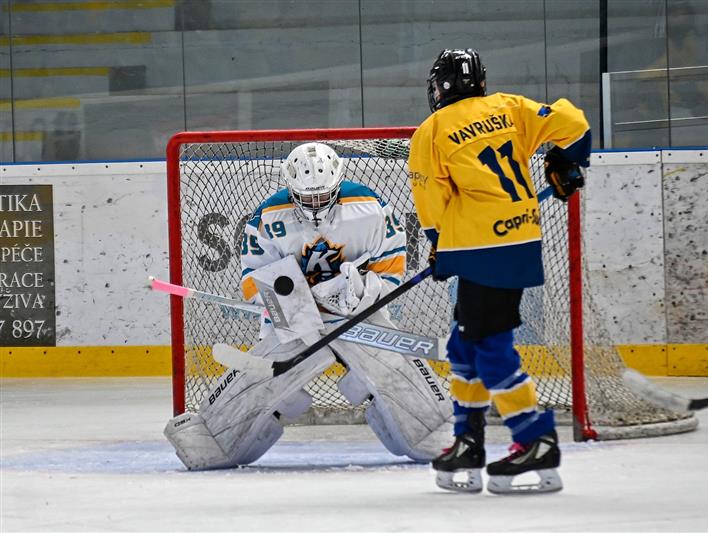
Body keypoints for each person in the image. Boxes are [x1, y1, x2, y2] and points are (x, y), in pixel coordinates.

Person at [164, 142, 452, 470]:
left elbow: (391, 263)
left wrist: (363, 292)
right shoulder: (268, 217)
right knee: (278, 384)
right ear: (290, 189)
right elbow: (254, 280)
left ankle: (427, 427)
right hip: (294, 315)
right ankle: (223, 437)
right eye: (306, 197)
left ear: (338, 185)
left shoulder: (369, 207)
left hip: (358, 312)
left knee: (382, 370)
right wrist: (298, 303)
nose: (315, 205)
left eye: (323, 195)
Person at [408, 49, 591, 494]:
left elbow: (431, 204)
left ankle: (535, 439)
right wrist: (564, 162)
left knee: (489, 346)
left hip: (479, 248)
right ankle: (468, 440)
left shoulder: (433, 130)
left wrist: (439, 248)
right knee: (464, 343)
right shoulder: (511, 107)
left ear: (440, 87)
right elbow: (575, 124)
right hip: (520, 239)